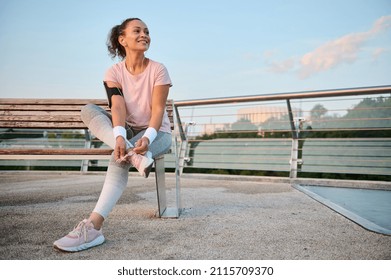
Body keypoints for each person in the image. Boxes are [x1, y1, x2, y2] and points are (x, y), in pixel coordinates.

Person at [53, 18, 172, 252]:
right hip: (128, 131)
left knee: (117, 158)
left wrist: (146, 139)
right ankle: (133, 154)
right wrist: (119, 137)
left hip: (158, 134)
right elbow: (117, 106)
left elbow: (158, 110)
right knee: (88, 110)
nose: (144, 35)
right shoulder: (114, 71)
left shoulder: (159, 69)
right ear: (122, 39)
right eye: (137, 31)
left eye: (147, 31)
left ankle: (93, 228)